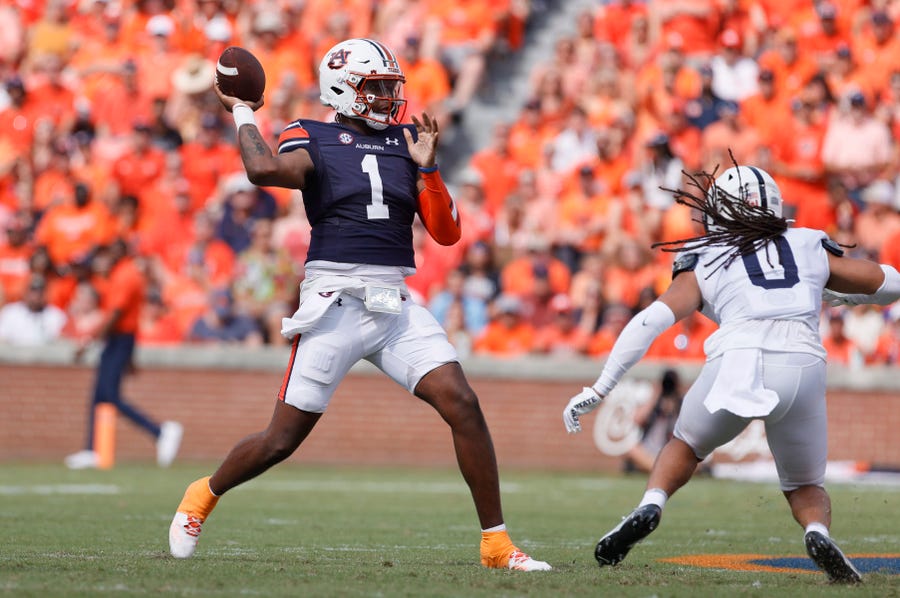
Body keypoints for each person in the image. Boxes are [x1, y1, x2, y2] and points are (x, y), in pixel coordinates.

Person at [167, 38, 550, 572]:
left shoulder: (407, 140)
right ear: (342, 90)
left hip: (393, 299)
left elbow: (446, 234)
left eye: (391, 86)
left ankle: (496, 545)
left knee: (462, 402)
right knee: (280, 441)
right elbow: (262, 171)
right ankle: (201, 497)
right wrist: (241, 113)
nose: (388, 97)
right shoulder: (312, 134)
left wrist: (430, 169)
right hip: (335, 301)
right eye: (376, 87)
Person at [562, 163, 900, 583]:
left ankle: (652, 503)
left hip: (737, 358)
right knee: (804, 482)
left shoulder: (706, 253)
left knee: (685, 446)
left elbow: (651, 320)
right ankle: (817, 530)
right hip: (802, 363)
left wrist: (601, 386)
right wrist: (834, 295)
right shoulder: (807, 242)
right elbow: (886, 283)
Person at [64, 240, 183, 470]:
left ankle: (160, 431)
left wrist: (90, 340)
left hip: (119, 339)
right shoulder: (122, 274)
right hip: (120, 340)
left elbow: (116, 314)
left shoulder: (125, 275)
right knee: (99, 394)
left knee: (109, 395)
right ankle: (91, 449)